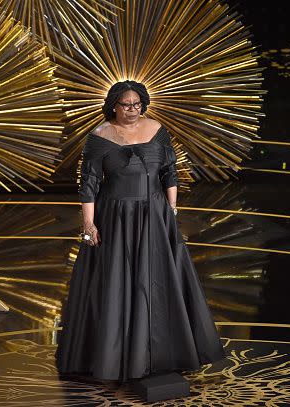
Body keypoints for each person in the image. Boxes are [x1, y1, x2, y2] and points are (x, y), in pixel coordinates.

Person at [55, 80, 227, 384]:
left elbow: (169, 172)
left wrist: (171, 210)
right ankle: (114, 358)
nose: (132, 110)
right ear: (113, 106)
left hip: (154, 214)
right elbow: (89, 184)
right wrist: (89, 224)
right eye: (125, 105)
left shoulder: (158, 130)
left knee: (159, 280)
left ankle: (161, 354)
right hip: (115, 217)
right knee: (117, 284)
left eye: (137, 104)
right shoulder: (98, 137)